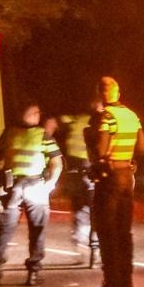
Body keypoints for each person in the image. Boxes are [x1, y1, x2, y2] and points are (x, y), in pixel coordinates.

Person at [85, 76, 144, 287]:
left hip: (109, 180)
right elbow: (141, 147)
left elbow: (101, 149)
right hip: (127, 178)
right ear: (118, 93)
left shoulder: (107, 117)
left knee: (107, 233)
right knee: (124, 233)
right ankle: (128, 285)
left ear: (100, 94)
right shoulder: (131, 115)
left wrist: (96, 162)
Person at [0, 103, 62, 287]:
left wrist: (0, 186)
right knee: (37, 229)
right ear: (33, 115)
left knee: (6, 229)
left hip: (12, 185)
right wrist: (50, 184)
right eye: (38, 113)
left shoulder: (8, 134)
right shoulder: (42, 135)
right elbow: (57, 163)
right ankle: (33, 272)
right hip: (35, 185)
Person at [55, 103, 101, 257]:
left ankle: (79, 239)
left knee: (79, 206)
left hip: (73, 171)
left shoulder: (76, 119)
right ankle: (94, 245)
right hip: (88, 169)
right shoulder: (97, 123)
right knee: (93, 208)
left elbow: (60, 120)